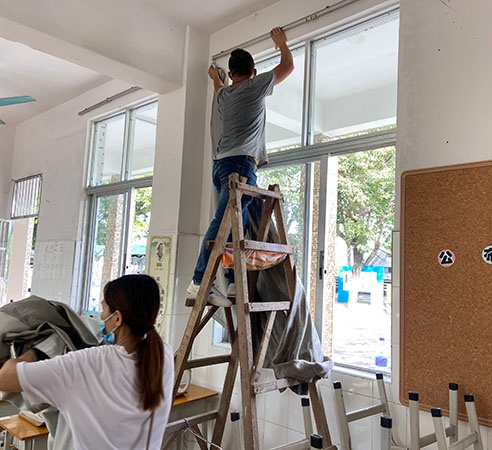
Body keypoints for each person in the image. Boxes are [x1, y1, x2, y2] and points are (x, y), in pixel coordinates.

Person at [0, 274, 174, 450]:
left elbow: (5, 378)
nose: (101, 316)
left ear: (117, 318)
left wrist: (37, 351)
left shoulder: (87, 364)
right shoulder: (163, 355)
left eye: (103, 309)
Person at [187, 26, 295, 304]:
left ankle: (234, 281)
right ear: (254, 72)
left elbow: (219, 88)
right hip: (241, 165)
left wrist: (216, 77)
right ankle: (199, 282)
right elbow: (287, 67)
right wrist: (281, 43)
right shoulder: (255, 86)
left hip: (222, 165)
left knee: (237, 223)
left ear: (232, 74)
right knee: (223, 223)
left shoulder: (224, 96)